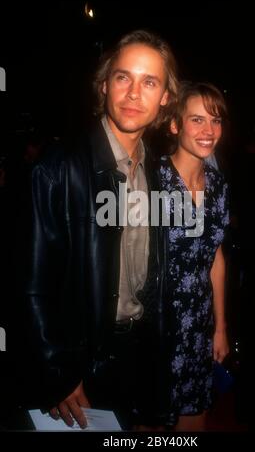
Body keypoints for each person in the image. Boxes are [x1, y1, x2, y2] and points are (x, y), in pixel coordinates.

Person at [22, 29, 178, 430]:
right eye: (123, 77)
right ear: (105, 83)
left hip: (137, 356)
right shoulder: (57, 169)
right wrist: (58, 371)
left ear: (164, 97)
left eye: (149, 82)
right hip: (79, 364)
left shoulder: (158, 172)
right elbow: (29, 284)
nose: (133, 93)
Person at [159, 81, 230, 431]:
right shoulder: (151, 180)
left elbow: (215, 256)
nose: (208, 131)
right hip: (157, 329)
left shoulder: (218, 186)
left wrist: (221, 327)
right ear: (175, 125)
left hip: (199, 329)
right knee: (150, 426)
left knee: (194, 423)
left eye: (215, 121)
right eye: (197, 120)